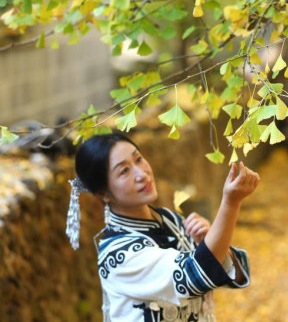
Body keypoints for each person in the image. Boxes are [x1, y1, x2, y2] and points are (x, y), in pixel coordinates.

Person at [67, 133, 259, 322]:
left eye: (139, 159)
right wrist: (231, 203)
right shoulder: (119, 255)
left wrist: (209, 240)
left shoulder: (170, 219)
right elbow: (194, 274)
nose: (141, 174)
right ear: (104, 194)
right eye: (124, 171)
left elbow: (232, 275)